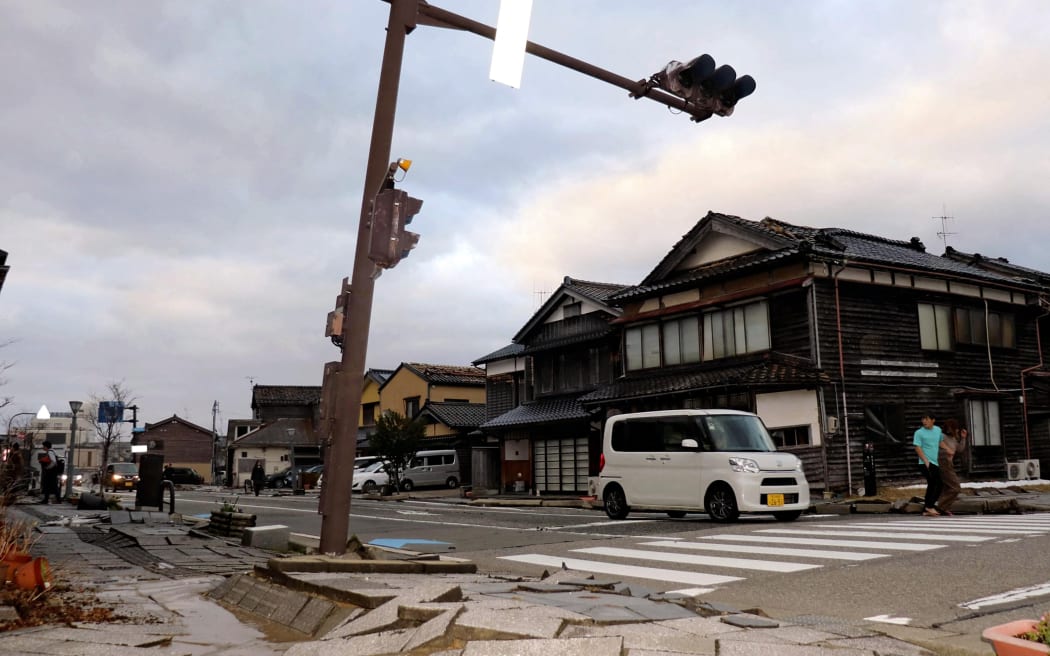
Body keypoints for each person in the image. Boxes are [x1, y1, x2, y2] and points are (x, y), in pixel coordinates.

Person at [913, 413, 943, 516]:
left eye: (926, 419)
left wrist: (949, 449)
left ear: (933, 420)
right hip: (924, 462)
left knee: (932, 484)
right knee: (939, 483)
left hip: (935, 462)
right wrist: (926, 461)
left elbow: (940, 442)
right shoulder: (919, 433)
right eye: (923, 419)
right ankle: (929, 506)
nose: (924, 421)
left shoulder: (938, 430)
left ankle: (926, 509)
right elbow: (917, 447)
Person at [937, 419, 966, 515]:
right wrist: (947, 450)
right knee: (955, 487)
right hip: (943, 463)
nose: (957, 430)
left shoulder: (953, 439)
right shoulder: (942, 436)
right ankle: (940, 506)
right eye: (955, 428)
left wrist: (963, 438)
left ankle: (944, 508)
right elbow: (937, 443)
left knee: (947, 487)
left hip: (949, 464)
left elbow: (960, 449)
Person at [38, 440, 62, 504]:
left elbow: (53, 461)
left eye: (43, 446)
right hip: (53, 472)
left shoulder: (50, 452)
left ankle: (48, 500)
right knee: (51, 486)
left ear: (46, 446)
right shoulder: (53, 451)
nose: (43, 447)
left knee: (48, 485)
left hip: (51, 472)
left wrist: (48, 467)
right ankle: (55, 499)